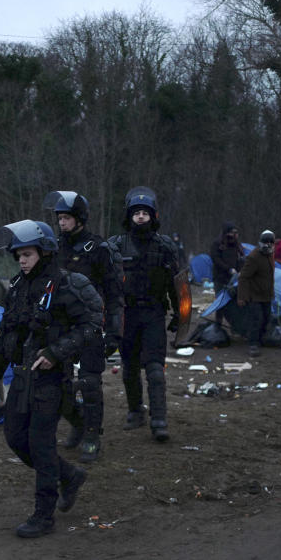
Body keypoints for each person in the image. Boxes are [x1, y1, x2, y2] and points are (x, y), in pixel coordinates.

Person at [0, 219, 101, 538]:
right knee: (15, 438)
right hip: (21, 377)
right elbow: (7, 330)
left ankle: (44, 515)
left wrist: (56, 352)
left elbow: (91, 326)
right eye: (18, 254)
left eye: (27, 254)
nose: (21, 259)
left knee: (41, 443)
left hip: (51, 380)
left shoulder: (68, 284)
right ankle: (70, 476)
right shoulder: (18, 286)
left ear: (44, 253)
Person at [43, 190, 124, 463]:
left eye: (66, 218)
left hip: (91, 324)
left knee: (90, 382)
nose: (62, 223)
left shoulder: (99, 250)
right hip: (61, 327)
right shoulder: (54, 247)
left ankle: (92, 434)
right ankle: (77, 422)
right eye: (59, 218)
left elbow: (114, 294)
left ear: (80, 219)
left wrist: (114, 330)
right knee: (60, 386)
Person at [108, 187, 180, 442]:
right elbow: (104, 281)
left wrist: (180, 317)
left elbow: (177, 284)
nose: (140, 217)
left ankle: (159, 419)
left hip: (153, 313)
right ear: (130, 216)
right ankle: (135, 411)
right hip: (127, 315)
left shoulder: (165, 247)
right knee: (129, 368)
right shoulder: (115, 246)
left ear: (153, 216)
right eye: (136, 213)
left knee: (155, 369)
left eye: (145, 213)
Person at [237, 230, 276, 357]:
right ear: (261, 242)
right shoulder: (254, 257)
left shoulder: (270, 255)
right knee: (256, 320)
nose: (268, 245)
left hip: (267, 295)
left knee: (266, 318)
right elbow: (243, 277)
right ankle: (252, 344)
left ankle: (260, 340)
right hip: (255, 295)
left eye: (271, 242)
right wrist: (242, 297)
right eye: (266, 242)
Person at [210, 222, 245, 291]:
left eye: (236, 232)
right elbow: (216, 259)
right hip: (220, 277)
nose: (234, 235)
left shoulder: (236, 243)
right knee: (220, 298)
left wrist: (240, 270)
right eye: (232, 232)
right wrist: (228, 269)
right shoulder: (217, 243)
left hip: (233, 277)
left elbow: (240, 257)